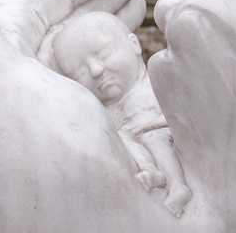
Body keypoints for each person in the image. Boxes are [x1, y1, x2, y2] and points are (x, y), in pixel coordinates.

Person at [52, 12, 192, 217]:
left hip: (164, 136)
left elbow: (179, 115)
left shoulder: (153, 86)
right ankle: (152, 172)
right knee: (122, 140)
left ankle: (178, 185)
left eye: (104, 54)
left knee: (152, 138)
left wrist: (147, 127)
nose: (96, 70)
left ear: (134, 45)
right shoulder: (101, 114)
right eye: (79, 71)